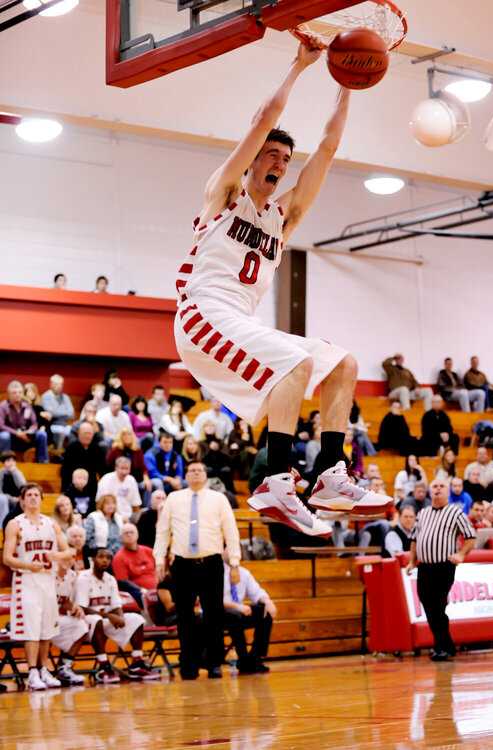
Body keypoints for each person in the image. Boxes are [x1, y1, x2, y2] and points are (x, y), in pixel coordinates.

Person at [173, 43, 391, 537]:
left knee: (343, 363)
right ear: (252, 161)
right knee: (296, 364)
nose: (279, 162)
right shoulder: (225, 194)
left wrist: (346, 84)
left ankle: (332, 473)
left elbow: (329, 147)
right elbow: (264, 117)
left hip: (239, 322)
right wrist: (300, 64)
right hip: (200, 314)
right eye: (270, 154)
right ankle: (275, 479)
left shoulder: (283, 217)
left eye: (285, 159)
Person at [153, 460, 241, 680]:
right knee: (185, 616)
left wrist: (236, 562)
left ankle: (214, 664)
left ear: (205, 474)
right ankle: (189, 665)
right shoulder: (174, 498)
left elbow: (231, 532)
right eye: (192, 470)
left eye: (200, 470)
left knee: (214, 615)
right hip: (182, 564)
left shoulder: (219, 499)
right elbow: (163, 532)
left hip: (211, 562)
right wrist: (158, 560)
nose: (196, 473)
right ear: (186, 475)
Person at [2, 483, 72, 691]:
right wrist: (27, 565)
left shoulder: (51, 524)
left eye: (36, 495)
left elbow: (68, 551)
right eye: (29, 495)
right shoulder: (15, 524)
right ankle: (32, 671)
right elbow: (6, 558)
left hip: (48, 579)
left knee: (47, 627)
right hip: (26, 580)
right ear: (22, 500)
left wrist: (58, 556)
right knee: (32, 627)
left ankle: (44, 669)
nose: (33, 498)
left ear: (42, 500)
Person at [406, 478, 476, 661]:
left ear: (447, 492)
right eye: (434, 486)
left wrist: (461, 555)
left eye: (441, 487)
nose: (437, 490)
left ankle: (441, 647)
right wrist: (412, 561)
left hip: (443, 566)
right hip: (425, 567)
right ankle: (448, 644)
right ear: (430, 491)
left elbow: (470, 536)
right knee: (427, 603)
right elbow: (414, 539)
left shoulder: (456, 512)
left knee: (437, 605)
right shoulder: (423, 513)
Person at [74, 548, 159, 682]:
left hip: (106, 619)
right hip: (87, 620)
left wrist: (119, 616)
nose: (105, 560)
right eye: (101, 557)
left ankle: (136, 663)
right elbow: (82, 608)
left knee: (137, 619)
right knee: (96, 620)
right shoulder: (83, 578)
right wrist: (110, 617)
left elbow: (116, 605)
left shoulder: (110, 579)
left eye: (107, 558)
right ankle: (103, 666)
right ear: (92, 559)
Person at [222, 547, 276, 674]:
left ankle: (255, 657)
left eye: (236, 550)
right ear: (221, 552)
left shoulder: (244, 572)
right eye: (230, 549)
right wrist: (237, 606)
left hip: (239, 613)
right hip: (218, 614)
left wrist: (268, 601)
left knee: (264, 611)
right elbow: (211, 601)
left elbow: (257, 592)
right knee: (233, 616)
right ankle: (243, 659)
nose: (234, 553)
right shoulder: (214, 573)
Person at [51, 549, 89, 685]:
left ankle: (65, 666)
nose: (68, 560)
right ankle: (39, 670)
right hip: (41, 618)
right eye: (65, 557)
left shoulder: (72, 576)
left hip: (57, 618)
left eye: (71, 557)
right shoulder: (48, 573)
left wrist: (74, 606)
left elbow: (64, 602)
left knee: (82, 624)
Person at [0, 380, 48, 463]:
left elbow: (34, 423)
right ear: (9, 394)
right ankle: (4, 462)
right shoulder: (3, 406)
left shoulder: (27, 406)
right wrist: (16, 433)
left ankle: (43, 462)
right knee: (4, 436)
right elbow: (1, 425)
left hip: (26, 436)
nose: (17, 395)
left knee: (42, 434)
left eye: (20, 392)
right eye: (14, 393)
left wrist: (31, 431)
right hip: (12, 436)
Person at [111, 523, 157, 608]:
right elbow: (122, 581)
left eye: (132, 532)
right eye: (126, 533)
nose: (129, 535)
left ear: (137, 534)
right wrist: (141, 589)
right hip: (138, 592)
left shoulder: (149, 551)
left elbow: (161, 570)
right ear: (121, 538)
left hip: (158, 588)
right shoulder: (118, 557)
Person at [105, 427, 153, 507]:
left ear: (133, 437)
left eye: (129, 435)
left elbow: (143, 468)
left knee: (149, 485)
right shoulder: (115, 450)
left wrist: (146, 478)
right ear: (120, 437)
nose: (127, 437)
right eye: (124, 435)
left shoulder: (138, 450)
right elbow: (107, 466)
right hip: (119, 481)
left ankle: (145, 509)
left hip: (136, 481)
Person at [61, 421, 106, 499]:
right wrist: (65, 489)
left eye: (89, 433)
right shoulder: (71, 448)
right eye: (85, 433)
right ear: (79, 434)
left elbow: (102, 470)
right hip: (74, 487)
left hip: (92, 487)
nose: (87, 436)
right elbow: (65, 471)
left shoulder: (97, 449)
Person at [96, 456, 142, 521]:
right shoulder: (106, 480)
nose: (124, 472)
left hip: (129, 516)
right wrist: (119, 518)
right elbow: (101, 504)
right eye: (122, 468)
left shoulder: (131, 480)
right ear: (116, 468)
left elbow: (136, 504)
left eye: (127, 469)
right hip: (111, 517)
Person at [40, 374, 74, 450]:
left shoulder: (65, 397)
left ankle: (70, 453)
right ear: (51, 385)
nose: (59, 386)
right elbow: (50, 414)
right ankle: (57, 453)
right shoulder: (46, 396)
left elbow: (71, 415)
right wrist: (64, 412)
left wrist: (56, 411)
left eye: (61, 384)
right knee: (60, 431)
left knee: (75, 429)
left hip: (64, 425)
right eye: (56, 384)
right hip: (51, 425)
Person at [84, 494, 124, 559]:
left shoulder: (119, 518)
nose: (111, 506)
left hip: (119, 552)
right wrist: (100, 551)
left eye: (113, 503)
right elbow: (87, 538)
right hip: (101, 553)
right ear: (101, 505)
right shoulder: (93, 517)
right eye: (108, 504)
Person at [0, 450, 26, 526]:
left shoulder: (18, 473)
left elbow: (23, 486)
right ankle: (2, 524)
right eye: (8, 461)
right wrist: (10, 498)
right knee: (2, 499)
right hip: (5, 498)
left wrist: (14, 472)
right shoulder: (1, 473)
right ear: (3, 463)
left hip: (18, 499)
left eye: (13, 461)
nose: (11, 463)